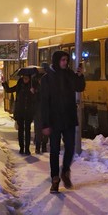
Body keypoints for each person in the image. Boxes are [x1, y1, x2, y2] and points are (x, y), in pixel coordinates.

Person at [39, 50, 85, 192]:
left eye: (66, 60)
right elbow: (44, 103)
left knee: (70, 147)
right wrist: (45, 124)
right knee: (54, 150)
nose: (65, 62)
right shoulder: (47, 78)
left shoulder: (69, 74)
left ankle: (65, 171)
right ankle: (55, 178)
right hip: (53, 120)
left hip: (69, 118)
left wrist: (80, 75)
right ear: (57, 60)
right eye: (63, 60)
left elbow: (79, 87)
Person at [3, 72, 38, 154]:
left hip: (29, 112)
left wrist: (34, 93)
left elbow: (37, 98)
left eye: (26, 78)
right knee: (20, 130)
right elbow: (9, 90)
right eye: (24, 78)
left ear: (29, 79)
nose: (25, 80)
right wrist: (4, 82)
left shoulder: (33, 86)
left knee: (27, 130)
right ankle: (21, 148)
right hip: (20, 111)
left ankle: (27, 149)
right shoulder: (19, 85)